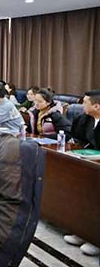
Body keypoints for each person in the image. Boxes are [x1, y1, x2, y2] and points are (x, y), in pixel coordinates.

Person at [63, 93, 100, 257]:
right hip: (89, 164)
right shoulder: (85, 119)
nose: (81, 105)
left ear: (96, 106)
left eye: (85, 103)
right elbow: (78, 138)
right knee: (82, 196)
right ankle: (83, 233)